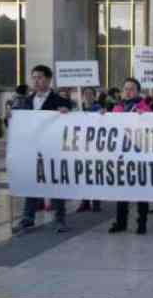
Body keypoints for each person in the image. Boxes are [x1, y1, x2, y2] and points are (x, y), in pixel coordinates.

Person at [12, 65, 73, 234]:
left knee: (56, 183)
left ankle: (60, 218)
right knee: (31, 183)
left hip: (53, 150)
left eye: (39, 77)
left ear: (48, 79)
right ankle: (27, 218)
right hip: (31, 150)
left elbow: (73, 123)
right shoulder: (26, 101)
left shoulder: (61, 101)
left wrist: (67, 113)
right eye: (34, 77)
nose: (36, 81)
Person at [108, 78, 152, 235]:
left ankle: (142, 223)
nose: (128, 91)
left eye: (131, 89)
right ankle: (121, 222)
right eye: (125, 88)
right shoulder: (117, 107)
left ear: (138, 91)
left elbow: (152, 128)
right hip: (121, 155)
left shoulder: (144, 107)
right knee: (122, 192)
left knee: (141, 191)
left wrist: (145, 117)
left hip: (139, 155)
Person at [76, 87, 103, 213]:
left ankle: (96, 201)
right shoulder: (78, 109)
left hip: (94, 146)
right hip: (81, 146)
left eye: (90, 94)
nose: (87, 96)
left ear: (94, 95)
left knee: (95, 174)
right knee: (83, 174)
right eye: (85, 93)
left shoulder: (98, 108)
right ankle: (85, 201)